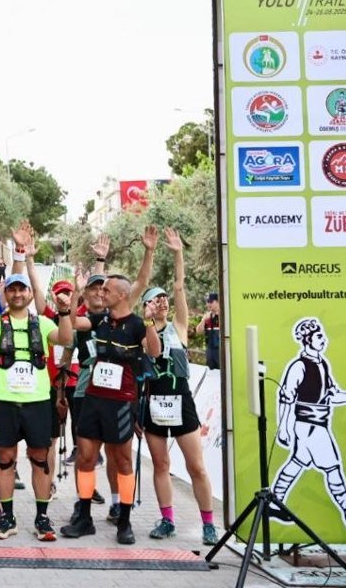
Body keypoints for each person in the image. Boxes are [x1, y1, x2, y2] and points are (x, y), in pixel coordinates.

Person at [61, 226, 161, 545]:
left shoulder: (136, 324)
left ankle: (125, 521)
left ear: (121, 295)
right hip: (93, 398)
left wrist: (149, 251)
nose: (101, 294)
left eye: (106, 291)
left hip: (121, 401)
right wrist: (76, 293)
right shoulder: (99, 319)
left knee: (123, 461)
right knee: (86, 457)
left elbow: (155, 351)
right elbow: (73, 322)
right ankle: (84, 516)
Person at [0, 271, 72, 541]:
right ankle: (7, 517)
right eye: (12, 290)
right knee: (5, 459)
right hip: (4, 402)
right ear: (6, 294)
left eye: (22, 289)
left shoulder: (43, 323)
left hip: (37, 402)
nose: (17, 294)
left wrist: (64, 312)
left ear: (29, 294)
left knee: (40, 459)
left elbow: (65, 339)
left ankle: (42, 517)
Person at [141, 228, 218, 545]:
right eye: (155, 298)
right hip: (155, 401)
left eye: (163, 299)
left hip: (181, 400)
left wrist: (177, 253)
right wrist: (148, 321)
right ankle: (167, 520)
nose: (162, 301)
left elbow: (179, 286)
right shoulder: (143, 331)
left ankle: (209, 523)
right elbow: (154, 352)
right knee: (161, 464)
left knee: (196, 466)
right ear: (145, 305)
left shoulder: (180, 326)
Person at [268, 317, 346, 528]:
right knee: (332, 467)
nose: (324, 339)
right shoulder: (298, 366)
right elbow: (286, 398)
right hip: (309, 426)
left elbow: (333, 395)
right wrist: (283, 428)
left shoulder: (323, 364)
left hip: (317, 424)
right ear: (308, 340)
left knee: (296, 463)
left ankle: (275, 502)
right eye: (319, 336)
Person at [196, 292, 222, 370]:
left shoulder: (224, 316)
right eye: (207, 302)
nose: (208, 304)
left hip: (221, 351)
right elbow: (198, 331)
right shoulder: (207, 317)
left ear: (217, 302)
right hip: (210, 351)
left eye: (211, 302)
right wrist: (203, 320)